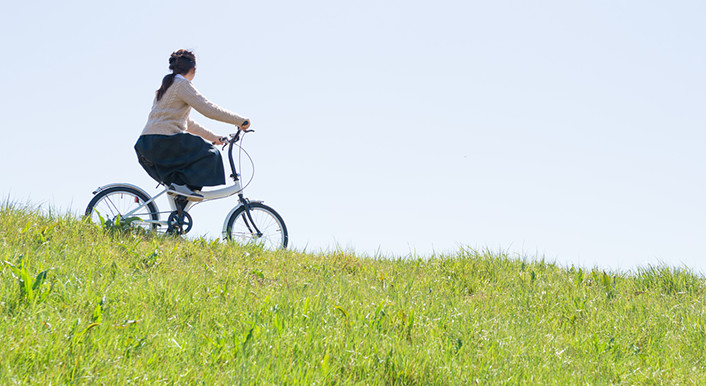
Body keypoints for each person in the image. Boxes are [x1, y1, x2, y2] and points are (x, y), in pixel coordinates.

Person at [134, 49, 250, 200]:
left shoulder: (166, 87)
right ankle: (188, 193)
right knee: (210, 155)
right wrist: (241, 121)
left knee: (179, 187)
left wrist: (213, 137)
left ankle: (179, 214)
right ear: (193, 69)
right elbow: (208, 109)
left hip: (147, 145)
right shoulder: (181, 85)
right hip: (163, 142)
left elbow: (187, 123)